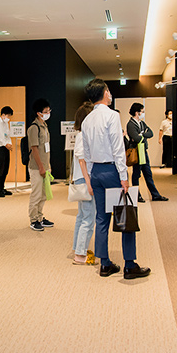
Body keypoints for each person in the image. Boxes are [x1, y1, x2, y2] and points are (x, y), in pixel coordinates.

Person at [81, 79, 150, 280]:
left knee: (101, 218)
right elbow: (118, 148)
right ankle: (130, 265)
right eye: (109, 91)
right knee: (125, 215)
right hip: (112, 170)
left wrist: (92, 176)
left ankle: (105, 264)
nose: (110, 94)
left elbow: (86, 152)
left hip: (96, 172)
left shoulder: (87, 120)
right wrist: (123, 176)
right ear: (104, 93)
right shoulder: (111, 116)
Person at [126, 102, 169, 202]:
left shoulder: (141, 123)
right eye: (142, 111)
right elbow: (136, 138)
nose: (143, 113)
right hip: (136, 152)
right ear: (137, 112)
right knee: (136, 174)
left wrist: (142, 135)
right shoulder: (130, 124)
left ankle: (155, 195)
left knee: (148, 174)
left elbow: (151, 133)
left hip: (143, 151)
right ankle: (137, 195)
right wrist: (142, 135)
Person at [71, 101, 96, 264]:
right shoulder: (83, 136)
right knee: (88, 217)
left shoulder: (81, 135)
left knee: (82, 216)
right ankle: (80, 254)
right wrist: (89, 182)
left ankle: (77, 248)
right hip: (84, 178)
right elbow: (82, 160)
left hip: (81, 178)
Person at [27, 98, 54, 231]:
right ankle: (33, 220)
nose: (48, 113)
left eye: (48, 110)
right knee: (36, 194)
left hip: (45, 166)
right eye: (46, 111)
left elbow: (46, 149)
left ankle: (40, 217)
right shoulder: (34, 127)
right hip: (36, 167)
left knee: (43, 194)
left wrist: (47, 165)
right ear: (39, 113)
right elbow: (35, 149)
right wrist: (41, 167)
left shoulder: (44, 126)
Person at [0, 106, 14, 197]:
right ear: (3, 115)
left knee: (5, 169)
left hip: (5, 148)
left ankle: (2, 188)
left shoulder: (5, 124)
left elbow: (7, 135)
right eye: (8, 116)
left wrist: (9, 144)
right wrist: (5, 144)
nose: (8, 118)